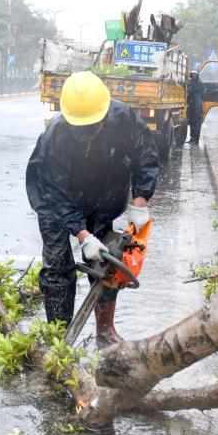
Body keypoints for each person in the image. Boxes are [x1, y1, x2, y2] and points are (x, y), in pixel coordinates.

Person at [25, 71, 159, 346]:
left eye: (92, 126)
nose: (86, 133)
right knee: (58, 267)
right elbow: (54, 193)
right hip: (55, 201)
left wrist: (141, 201)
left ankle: (105, 331)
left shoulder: (123, 119)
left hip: (102, 195)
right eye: (80, 128)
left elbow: (145, 154)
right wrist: (83, 236)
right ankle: (59, 339)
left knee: (106, 262)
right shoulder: (56, 135)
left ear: (104, 111)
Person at [185, 70, 204, 145]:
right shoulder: (190, 82)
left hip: (197, 106)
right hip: (191, 106)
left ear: (197, 75)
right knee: (192, 123)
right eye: (192, 74)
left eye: (195, 74)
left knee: (196, 124)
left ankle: (195, 140)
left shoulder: (199, 83)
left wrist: (188, 88)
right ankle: (192, 139)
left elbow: (191, 90)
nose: (194, 76)